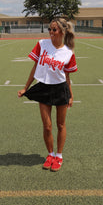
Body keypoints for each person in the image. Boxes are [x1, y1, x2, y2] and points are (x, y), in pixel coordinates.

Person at [18, 18, 78, 172]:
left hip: (60, 89)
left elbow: (67, 77)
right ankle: (50, 154)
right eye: (49, 29)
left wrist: (71, 95)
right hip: (44, 88)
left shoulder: (68, 53)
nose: (51, 32)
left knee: (60, 124)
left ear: (62, 32)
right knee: (47, 125)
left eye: (54, 30)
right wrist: (26, 87)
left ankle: (59, 156)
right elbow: (35, 67)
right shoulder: (42, 44)